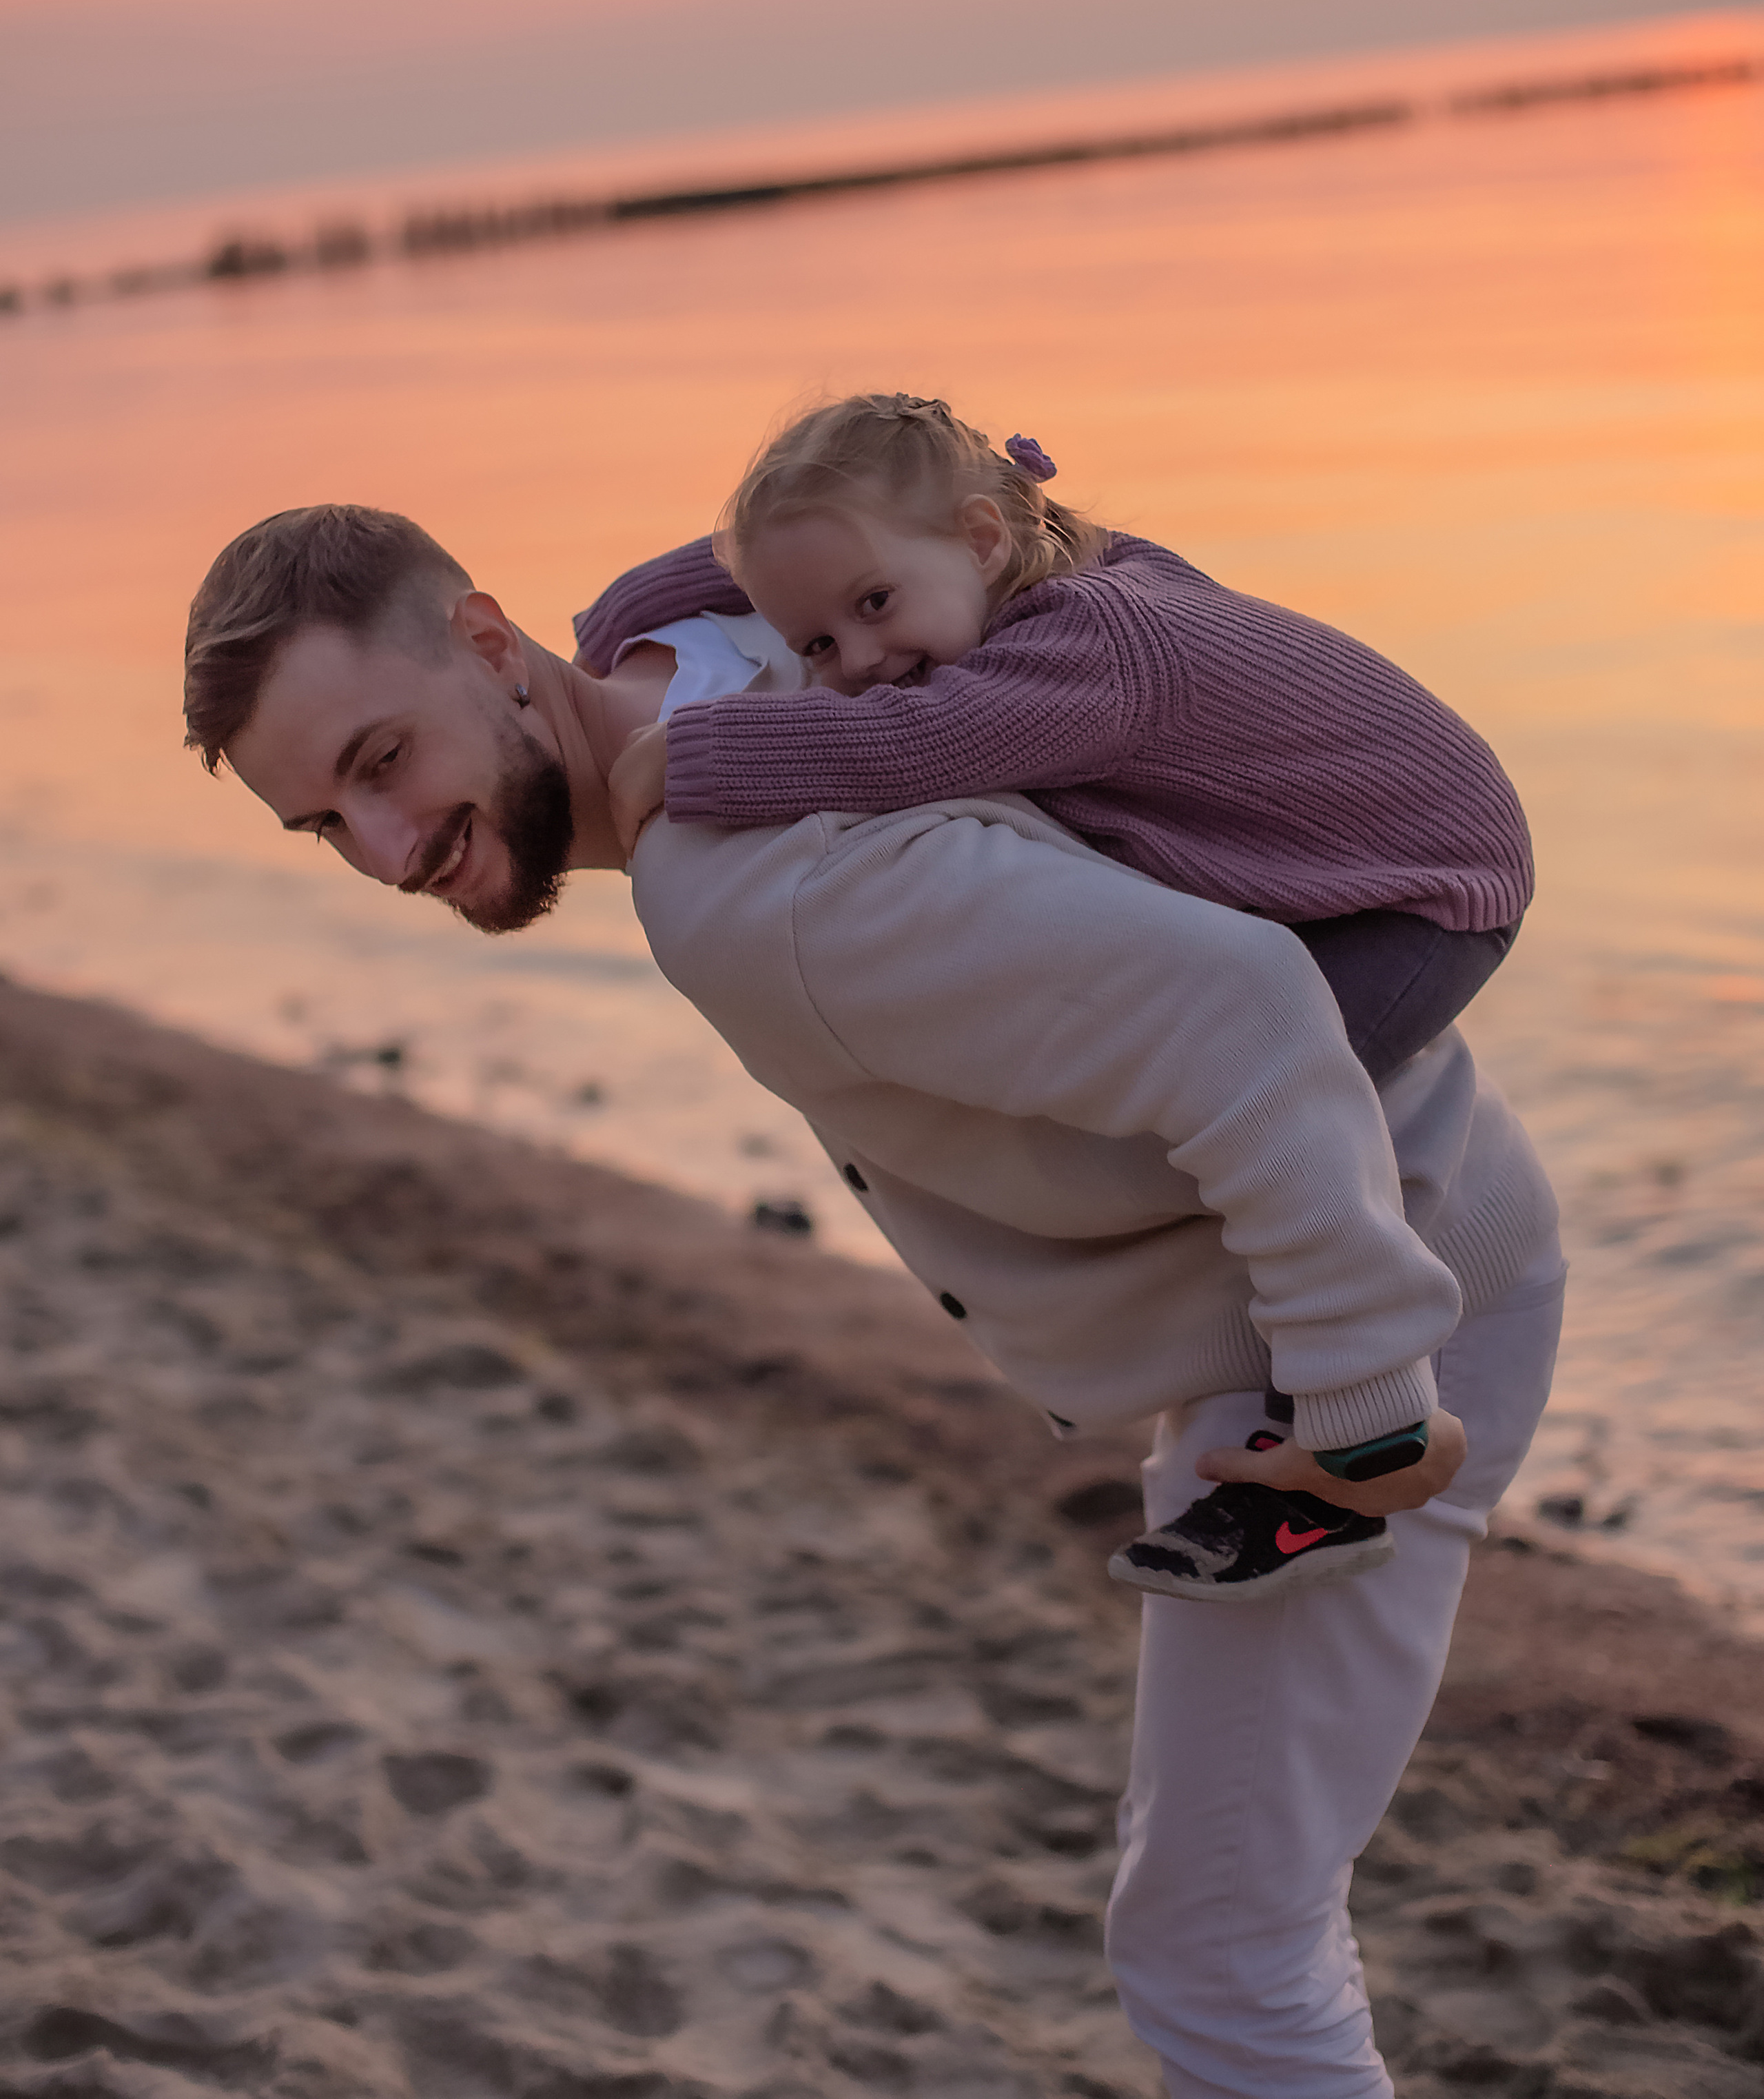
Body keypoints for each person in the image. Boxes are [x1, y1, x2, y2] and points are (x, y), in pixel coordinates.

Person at [184, 502, 1563, 2099]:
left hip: (1372, 1311)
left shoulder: (747, 892)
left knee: (1219, 1950)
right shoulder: (741, 635)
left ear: (492, 644)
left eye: (379, 764)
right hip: (1341, 1240)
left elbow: (1242, 1006)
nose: (381, 853)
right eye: (322, 827)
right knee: (1222, 1917)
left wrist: (1355, 1407)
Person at [578, 391, 1536, 1604]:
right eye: (815, 645)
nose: (860, 662)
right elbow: (812, 557)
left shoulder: (1090, 651)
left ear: (981, 539)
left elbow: (906, 749)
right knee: (1228, 1102)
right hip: (1344, 845)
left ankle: (1354, 1448)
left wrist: (691, 759)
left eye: (873, 608)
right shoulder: (1020, 548)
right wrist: (627, 623)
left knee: (1289, 1092)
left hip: (1420, 891)